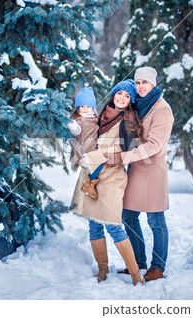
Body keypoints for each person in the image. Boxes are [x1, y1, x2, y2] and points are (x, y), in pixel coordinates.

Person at [70, 80, 144, 286]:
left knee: (113, 225)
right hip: (92, 176)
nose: (121, 98)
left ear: (130, 101)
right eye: (119, 93)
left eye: (127, 96)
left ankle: (136, 274)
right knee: (94, 225)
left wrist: (94, 158)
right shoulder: (100, 115)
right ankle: (102, 269)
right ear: (113, 94)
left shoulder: (128, 120)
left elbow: (124, 153)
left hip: (112, 177)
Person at [106, 67, 174, 282]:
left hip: (152, 170)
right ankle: (138, 262)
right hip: (135, 170)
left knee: (155, 220)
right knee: (128, 216)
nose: (141, 86)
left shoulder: (162, 109)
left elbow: (154, 144)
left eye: (145, 82)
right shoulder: (138, 106)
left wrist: (123, 157)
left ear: (154, 84)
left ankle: (157, 267)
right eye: (138, 82)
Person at [67, 87, 102, 199]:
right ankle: (89, 185)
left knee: (99, 166)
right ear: (78, 108)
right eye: (82, 106)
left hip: (94, 149)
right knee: (91, 169)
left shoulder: (95, 119)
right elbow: (76, 132)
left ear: (92, 107)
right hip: (84, 152)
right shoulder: (77, 120)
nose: (85, 109)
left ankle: (90, 184)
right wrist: (73, 127)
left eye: (88, 106)